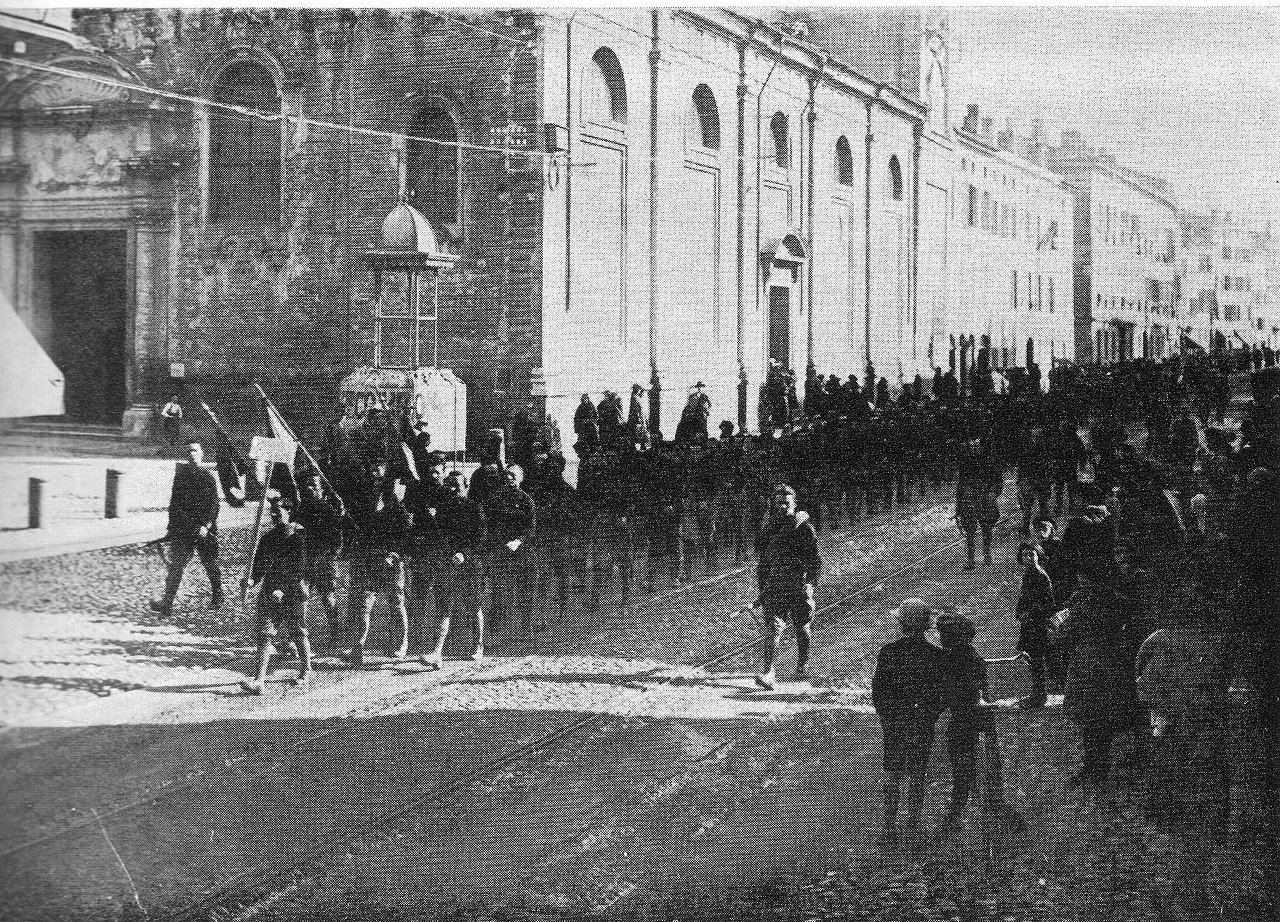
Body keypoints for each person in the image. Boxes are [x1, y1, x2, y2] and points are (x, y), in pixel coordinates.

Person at [871, 599, 947, 851]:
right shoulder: (936, 655)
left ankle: (889, 826)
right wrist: (928, 716)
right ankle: (913, 823)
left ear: (902, 623)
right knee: (917, 772)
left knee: (893, 772)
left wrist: (888, 716)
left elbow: (879, 691)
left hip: (895, 722)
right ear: (926, 625)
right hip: (921, 722)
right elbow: (940, 695)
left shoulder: (889, 652)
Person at [1057, 558, 1136, 791]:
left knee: (1091, 718)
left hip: (1089, 663)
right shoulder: (1118, 599)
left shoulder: (1083, 602)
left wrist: (1060, 626)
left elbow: (1062, 634)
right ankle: (1102, 764)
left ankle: (1095, 767)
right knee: (1107, 715)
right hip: (1114, 661)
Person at [752, 484, 822, 690]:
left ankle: (802, 665)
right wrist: (763, 589)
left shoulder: (804, 527)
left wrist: (810, 583)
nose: (781, 506)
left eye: (786, 502)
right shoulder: (770, 526)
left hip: (798, 585)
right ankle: (768, 673)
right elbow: (761, 557)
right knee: (773, 628)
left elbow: (815, 561)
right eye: (778, 502)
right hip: (776, 586)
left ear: (794, 503)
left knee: (802, 628)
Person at [239, 496, 311, 694]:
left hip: (293, 592)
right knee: (264, 634)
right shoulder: (267, 538)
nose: (273, 515)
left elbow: (301, 569)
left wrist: (284, 589)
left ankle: (306, 669)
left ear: (288, 512)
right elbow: (259, 566)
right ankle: (259, 681)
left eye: (277, 512)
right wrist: (252, 580)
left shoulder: (298, 538)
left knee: (297, 632)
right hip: (270, 591)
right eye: (272, 512)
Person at [346, 462, 412, 666]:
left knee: (396, 603)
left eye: (381, 480)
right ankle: (358, 646)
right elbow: (356, 532)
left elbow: (406, 538)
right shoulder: (364, 506)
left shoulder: (399, 509)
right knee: (364, 605)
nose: (377, 483)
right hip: (370, 562)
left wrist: (394, 555)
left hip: (392, 563)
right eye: (374, 479)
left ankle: (401, 643)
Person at [420, 471, 488, 667]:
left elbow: (481, 538)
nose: (452, 488)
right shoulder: (443, 509)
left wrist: (464, 553)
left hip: (469, 565)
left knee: (473, 606)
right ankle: (436, 652)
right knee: (443, 608)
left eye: (456, 485)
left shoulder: (475, 508)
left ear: (465, 486)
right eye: (449, 484)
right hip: (447, 564)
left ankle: (478, 645)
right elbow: (438, 537)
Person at [151, 442, 223, 616]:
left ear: (202, 454)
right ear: (186, 455)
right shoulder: (181, 475)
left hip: (203, 530)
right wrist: (171, 528)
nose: (192, 453)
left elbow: (214, 505)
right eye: (189, 450)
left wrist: (206, 525)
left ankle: (218, 594)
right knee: (176, 566)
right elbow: (174, 504)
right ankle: (167, 603)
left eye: (195, 450)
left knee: (209, 563)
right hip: (184, 529)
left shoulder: (208, 477)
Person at [937, 611, 989, 830]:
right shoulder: (971, 655)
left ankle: (957, 810)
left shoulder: (953, 658)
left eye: (945, 635)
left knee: (962, 765)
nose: (941, 639)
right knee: (970, 762)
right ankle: (968, 802)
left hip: (964, 717)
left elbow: (948, 691)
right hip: (974, 714)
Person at [483, 464, 537, 641]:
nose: (509, 478)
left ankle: (526, 626)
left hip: (522, 552)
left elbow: (531, 529)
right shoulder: (494, 500)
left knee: (525, 591)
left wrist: (518, 541)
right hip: (501, 552)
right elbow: (487, 526)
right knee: (499, 594)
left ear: (521, 478)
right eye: (507, 475)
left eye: (513, 476)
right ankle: (492, 634)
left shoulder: (526, 500)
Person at [295, 472, 347, 646]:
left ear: (322, 490)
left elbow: (338, 540)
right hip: (305, 560)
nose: (309, 488)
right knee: (300, 597)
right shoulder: (302, 509)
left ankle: (334, 632)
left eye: (314, 486)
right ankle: (297, 636)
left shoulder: (329, 510)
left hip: (324, 561)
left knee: (327, 597)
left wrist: (330, 557)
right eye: (307, 485)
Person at [1015, 540, 1058, 709]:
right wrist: (1019, 612)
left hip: (1037, 624)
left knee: (1037, 659)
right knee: (1033, 658)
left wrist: (1030, 613)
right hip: (1030, 623)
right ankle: (1038, 692)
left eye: (1031, 554)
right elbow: (1023, 598)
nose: (1028, 557)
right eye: (1024, 555)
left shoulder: (1040, 576)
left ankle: (1040, 695)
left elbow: (1048, 602)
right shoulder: (1028, 575)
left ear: (1038, 555)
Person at [954, 434, 1002, 569]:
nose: (974, 449)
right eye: (972, 446)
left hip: (985, 497)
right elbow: (961, 484)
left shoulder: (990, 462)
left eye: (977, 446)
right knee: (969, 530)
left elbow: (998, 480)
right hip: (969, 499)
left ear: (981, 447)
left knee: (987, 528)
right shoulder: (965, 463)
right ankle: (970, 559)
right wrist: (959, 503)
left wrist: (994, 492)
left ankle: (987, 554)